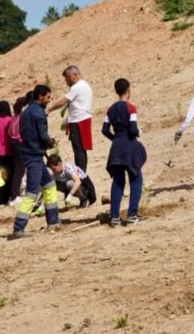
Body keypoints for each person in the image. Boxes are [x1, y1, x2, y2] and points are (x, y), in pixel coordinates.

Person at [13, 84, 59, 238]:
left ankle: (53, 221)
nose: (48, 100)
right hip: (34, 156)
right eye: (47, 97)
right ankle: (18, 228)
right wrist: (51, 142)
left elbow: (22, 132)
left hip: (31, 154)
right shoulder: (39, 113)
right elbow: (43, 135)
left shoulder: (25, 112)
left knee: (49, 185)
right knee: (32, 192)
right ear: (40, 97)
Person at [102, 78, 147, 226]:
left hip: (116, 148)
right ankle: (132, 214)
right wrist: (139, 132)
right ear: (128, 90)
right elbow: (133, 129)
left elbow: (104, 130)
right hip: (129, 146)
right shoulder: (130, 107)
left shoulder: (110, 109)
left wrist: (115, 138)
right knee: (136, 179)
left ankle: (114, 217)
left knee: (118, 181)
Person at [46, 66, 93, 172]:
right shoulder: (84, 85)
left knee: (78, 150)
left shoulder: (77, 87)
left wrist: (49, 109)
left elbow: (63, 101)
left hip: (78, 121)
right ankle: (82, 172)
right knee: (81, 149)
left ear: (75, 74)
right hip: (83, 119)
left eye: (67, 77)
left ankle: (81, 173)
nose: (66, 80)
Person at [3, 95, 29, 202]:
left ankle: (15, 193)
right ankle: (15, 195)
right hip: (19, 143)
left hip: (12, 142)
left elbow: (9, 132)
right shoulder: (23, 117)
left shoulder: (14, 117)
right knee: (20, 170)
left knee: (17, 169)